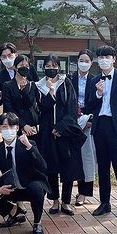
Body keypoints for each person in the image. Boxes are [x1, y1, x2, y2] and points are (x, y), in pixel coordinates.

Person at [0, 112, 50, 234]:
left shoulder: (28, 144)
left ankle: (37, 223)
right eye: (5, 127)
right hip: (11, 188)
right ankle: (13, 213)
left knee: (36, 188)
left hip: (30, 186)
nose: (8, 130)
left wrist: (29, 147)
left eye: (12, 126)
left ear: (17, 128)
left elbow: (43, 167)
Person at [85, 46, 117, 219]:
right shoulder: (95, 80)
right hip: (100, 126)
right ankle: (104, 202)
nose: (104, 60)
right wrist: (98, 94)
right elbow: (89, 105)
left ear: (113, 59)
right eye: (101, 57)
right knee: (103, 167)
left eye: (107, 57)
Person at [35, 55, 85, 216]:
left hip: (65, 131)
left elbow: (72, 107)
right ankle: (55, 201)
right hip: (47, 133)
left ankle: (66, 202)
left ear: (59, 67)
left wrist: (61, 128)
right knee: (51, 168)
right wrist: (50, 92)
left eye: (54, 65)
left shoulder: (66, 83)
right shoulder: (39, 86)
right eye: (48, 66)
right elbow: (40, 110)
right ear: (43, 68)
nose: (51, 68)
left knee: (68, 166)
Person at [70, 49, 96, 205]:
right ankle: (68, 193)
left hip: (89, 121)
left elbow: (99, 103)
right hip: (73, 121)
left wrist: (90, 120)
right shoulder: (69, 79)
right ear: (77, 61)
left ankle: (83, 193)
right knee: (74, 157)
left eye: (87, 61)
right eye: (81, 60)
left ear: (91, 63)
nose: (84, 63)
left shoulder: (95, 80)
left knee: (87, 157)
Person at [1, 54, 39, 138]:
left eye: (26, 66)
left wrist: (23, 90)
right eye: (21, 65)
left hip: (31, 126)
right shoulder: (8, 85)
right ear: (15, 67)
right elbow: (8, 108)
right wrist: (23, 125)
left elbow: (30, 104)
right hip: (13, 125)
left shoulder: (32, 85)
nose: (24, 68)